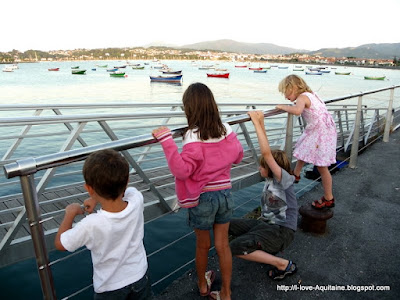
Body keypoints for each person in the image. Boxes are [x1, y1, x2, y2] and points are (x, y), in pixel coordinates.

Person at [152, 82, 243, 300]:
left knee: (203, 245)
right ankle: (226, 293)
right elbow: (238, 155)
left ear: (189, 109)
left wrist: (167, 141)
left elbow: (182, 171)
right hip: (225, 195)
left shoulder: (192, 136)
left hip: (203, 198)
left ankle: (203, 285)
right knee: (223, 245)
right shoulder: (226, 128)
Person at [54, 149, 151, 300]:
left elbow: (61, 244)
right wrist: (96, 197)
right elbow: (127, 191)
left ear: (89, 188)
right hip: (139, 275)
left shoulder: (91, 224)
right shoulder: (136, 199)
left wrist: (70, 213)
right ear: (126, 181)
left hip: (110, 288)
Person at [229, 110, 298, 281]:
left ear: (271, 167)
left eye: (262, 166)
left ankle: (283, 264)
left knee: (235, 247)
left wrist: (255, 123)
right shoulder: (271, 178)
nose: (259, 169)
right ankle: (262, 247)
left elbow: (267, 154)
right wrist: (261, 123)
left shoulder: (283, 178)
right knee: (225, 224)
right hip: (267, 225)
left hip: (281, 231)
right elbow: (268, 152)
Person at [276, 74, 337, 209]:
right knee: (302, 147)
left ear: (294, 88)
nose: (286, 97)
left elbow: (297, 111)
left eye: (286, 92)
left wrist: (283, 107)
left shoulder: (302, 97)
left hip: (320, 133)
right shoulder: (312, 94)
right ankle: (296, 174)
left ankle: (328, 198)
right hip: (324, 131)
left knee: (322, 167)